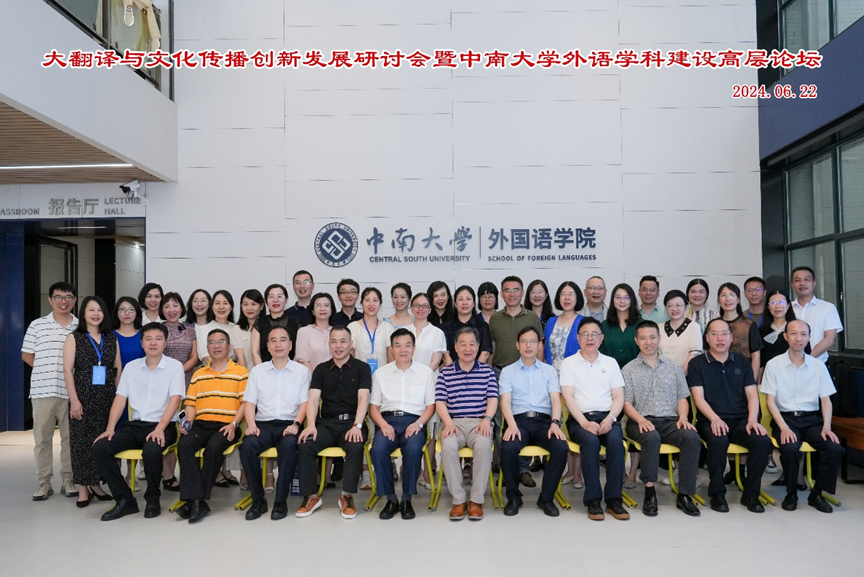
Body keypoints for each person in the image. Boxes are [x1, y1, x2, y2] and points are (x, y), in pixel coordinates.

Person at [91, 322, 184, 521]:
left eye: (158, 339)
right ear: (142, 343)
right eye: (148, 339)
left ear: (165, 343)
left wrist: (160, 429)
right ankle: (125, 500)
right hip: (135, 426)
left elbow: (175, 400)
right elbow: (120, 399)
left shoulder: (174, 367)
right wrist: (110, 428)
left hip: (163, 426)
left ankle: (152, 499)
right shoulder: (131, 367)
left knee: (151, 449)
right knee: (100, 447)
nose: (153, 343)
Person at [688, 318, 772, 513]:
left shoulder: (742, 362)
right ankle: (717, 493)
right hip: (710, 419)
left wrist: (752, 420)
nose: (720, 338)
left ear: (731, 338)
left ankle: (751, 494)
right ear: (707, 338)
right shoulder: (697, 364)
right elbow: (698, 398)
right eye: (715, 334)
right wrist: (715, 419)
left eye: (724, 334)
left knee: (761, 440)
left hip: (741, 420)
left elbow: (752, 395)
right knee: (718, 439)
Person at [761, 319, 845, 513]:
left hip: (812, 420)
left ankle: (817, 494)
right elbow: (770, 402)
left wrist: (827, 426)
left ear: (809, 338)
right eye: (793, 333)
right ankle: (791, 493)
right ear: (785, 337)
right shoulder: (774, 364)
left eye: (803, 334)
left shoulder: (818, 366)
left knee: (834, 448)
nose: (798, 338)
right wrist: (783, 428)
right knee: (790, 447)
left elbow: (826, 400)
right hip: (785, 419)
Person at [622, 320, 701, 517]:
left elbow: (682, 397)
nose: (648, 342)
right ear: (636, 341)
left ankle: (685, 494)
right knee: (651, 437)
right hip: (640, 420)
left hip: (670, 421)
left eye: (652, 337)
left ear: (659, 339)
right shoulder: (628, 369)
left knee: (691, 437)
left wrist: (683, 417)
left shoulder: (673, 367)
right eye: (643, 338)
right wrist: (640, 420)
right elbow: (626, 403)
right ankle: (650, 492)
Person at [296, 326, 371, 519]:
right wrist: (311, 425)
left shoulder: (362, 368)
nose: (338, 346)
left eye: (343, 341)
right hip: (326, 424)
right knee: (306, 443)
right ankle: (311, 496)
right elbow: (313, 400)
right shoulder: (321, 369)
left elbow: (363, 398)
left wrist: (357, 425)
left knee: (355, 444)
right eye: (334, 341)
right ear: (329, 344)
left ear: (351, 344)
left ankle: (347, 496)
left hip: (352, 423)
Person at [176, 328, 249, 523]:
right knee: (185, 444)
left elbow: (245, 404)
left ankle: (195, 500)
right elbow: (191, 403)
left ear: (229, 346)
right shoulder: (198, 374)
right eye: (212, 342)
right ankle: (197, 501)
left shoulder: (241, 372)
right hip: (201, 425)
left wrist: (234, 424)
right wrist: (187, 422)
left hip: (227, 425)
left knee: (214, 446)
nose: (216, 346)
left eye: (221, 342)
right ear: (207, 348)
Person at [559, 317, 629, 521]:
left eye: (594, 334)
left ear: (601, 338)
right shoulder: (569, 363)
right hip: (579, 419)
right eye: (585, 334)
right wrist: (583, 422)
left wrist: (611, 418)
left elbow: (619, 397)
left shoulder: (610, 363)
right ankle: (593, 500)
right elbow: (568, 397)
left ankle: (614, 500)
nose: (590, 338)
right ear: (578, 338)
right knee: (590, 443)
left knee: (616, 443)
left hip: (608, 417)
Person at [240, 325, 311, 521]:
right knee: (247, 447)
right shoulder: (257, 371)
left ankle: (280, 501)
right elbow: (249, 403)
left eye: (282, 340)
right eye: (273, 340)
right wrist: (251, 425)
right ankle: (258, 500)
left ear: (290, 345)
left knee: (289, 446)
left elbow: (305, 403)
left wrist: (296, 424)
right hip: (262, 424)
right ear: (268, 346)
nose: (278, 344)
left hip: (289, 424)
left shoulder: (301, 372)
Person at [499, 326, 569, 517]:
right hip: (518, 422)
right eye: (524, 341)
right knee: (508, 447)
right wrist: (511, 425)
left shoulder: (549, 371)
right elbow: (505, 402)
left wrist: (555, 423)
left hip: (544, 423)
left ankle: (546, 498)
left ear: (539, 345)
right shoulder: (507, 372)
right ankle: (514, 497)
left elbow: (556, 400)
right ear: (517, 345)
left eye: (532, 341)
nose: (528, 345)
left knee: (560, 447)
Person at [369, 329, 436, 520]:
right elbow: (373, 407)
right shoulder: (380, 374)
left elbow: (431, 406)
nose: (403, 350)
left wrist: (419, 424)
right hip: (387, 421)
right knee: (378, 449)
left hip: (414, 422)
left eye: (407, 345)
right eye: (397, 345)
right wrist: (383, 425)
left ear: (414, 348)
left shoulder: (425, 373)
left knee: (413, 449)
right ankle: (391, 499)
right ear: (391, 349)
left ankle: (407, 499)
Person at [62, 296, 121, 507]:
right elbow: (67, 371)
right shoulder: (74, 337)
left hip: (107, 398)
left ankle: (96, 484)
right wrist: (74, 400)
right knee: (81, 443)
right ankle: (83, 489)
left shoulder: (111, 338)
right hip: (83, 398)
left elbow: (118, 369)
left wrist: (119, 397)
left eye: (100, 310)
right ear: (83, 313)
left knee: (102, 442)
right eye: (91, 310)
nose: (96, 314)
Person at [22, 281, 78, 501]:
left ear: (74, 300)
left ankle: (69, 480)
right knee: (42, 440)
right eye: (58, 297)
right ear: (50, 299)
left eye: (68, 297)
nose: (63, 301)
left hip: (71, 392)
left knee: (70, 439)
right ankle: (44, 482)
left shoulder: (80, 326)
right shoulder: (37, 325)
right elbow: (27, 355)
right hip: (42, 390)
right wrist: (46, 369)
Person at [436, 327, 498, 521]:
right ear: (455, 347)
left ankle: (476, 501)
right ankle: (459, 500)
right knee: (448, 448)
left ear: (478, 346)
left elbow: (493, 399)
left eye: (472, 344)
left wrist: (487, 420)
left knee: (483, 447)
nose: (467, 348)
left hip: (480, 422)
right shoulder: (445, 373)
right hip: (453, 422)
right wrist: (447, 423)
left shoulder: (487, 371)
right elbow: (440, 402)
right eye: (462, 344)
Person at [544, 281, 586, 487]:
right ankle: (569, 470)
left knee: (575, 423)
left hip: (575, 381)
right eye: (563, 294)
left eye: (571, 294)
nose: (567, 298)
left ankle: (578, 473)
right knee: (560, 424)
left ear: (577, 298)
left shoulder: (582, 321)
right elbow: (545, 351)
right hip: (553, 380)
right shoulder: (551, 321)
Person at [407, 292, 448, 489]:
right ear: (411, 308)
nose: (420, 309)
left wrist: (419, 376)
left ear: (430, 309)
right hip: (406, 386)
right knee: (411, 426)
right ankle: (412, 471)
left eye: (424, 306)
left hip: (430, 384)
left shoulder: (437, 333)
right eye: (417, 305)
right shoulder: (404, 330)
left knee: (431, 429)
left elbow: (436, 361)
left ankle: (427, 472)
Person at [159, 292, 199, 491]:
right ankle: (167, 475)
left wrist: (178, 371)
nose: (171, 310)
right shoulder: (158, 330)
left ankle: (185, 475)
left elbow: (194, 357)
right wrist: (172, 374)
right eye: (167, 306)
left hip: (186, 383)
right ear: (162, 309)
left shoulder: (190, 331)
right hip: (163, 385)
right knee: (167, 428)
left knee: (183, 428)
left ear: (182, 308)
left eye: (175, 305)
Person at [790, 265, 843, 362]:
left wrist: (805, 359)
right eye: (797, 280)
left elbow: (830, 339)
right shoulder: (787, 308)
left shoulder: (827, 308)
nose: (802, 283)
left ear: (814, 283)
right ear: (792, 285)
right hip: (789, 365)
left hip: (818, 364)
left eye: (806, 279)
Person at [717, 283, 762, 379]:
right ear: (718, 300)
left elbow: (756, 355)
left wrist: (751, 380)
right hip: (717, 375)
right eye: (723, 295)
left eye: (731, 295)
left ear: (738, 300)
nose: (727, 299)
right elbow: (707, 352)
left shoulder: (749, 324)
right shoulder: (713, 325)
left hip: (743, 375)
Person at [348, 287, 395, 376]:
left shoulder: (387, 327)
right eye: (367, 300)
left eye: (375, 300)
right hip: (359, 376)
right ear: (361, 303)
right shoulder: (352, 327)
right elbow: (349, 357)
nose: (371, 304)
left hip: (383, 377)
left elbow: (391, 359)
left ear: (380, 304)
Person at [443, 285, 493, 366]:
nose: (464, 303)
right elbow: (445, 355)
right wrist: (453, 371)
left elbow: (485, 353)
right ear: (455, 304)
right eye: (461, 299)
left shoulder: (482, 326)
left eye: (468, 299)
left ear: (474, 304)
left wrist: (475, 371)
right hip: (453, 371)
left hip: (477, 371)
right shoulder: (446, 327)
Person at [195, 289, 246, 367]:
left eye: (225, 303)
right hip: (212, 371)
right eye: (217, 303)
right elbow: (206, 358)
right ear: (212, 306)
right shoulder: (204, 329)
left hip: (235, 371)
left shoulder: (236, 328)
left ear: (231, 307)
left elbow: (241, 356)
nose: (221, 307)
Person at [251, 283, 299, 365]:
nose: (275, 300)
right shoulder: (259, 323)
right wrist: (261, 371)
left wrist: (292, 369)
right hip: (265, 370)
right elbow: (255, 353)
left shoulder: (296, 322)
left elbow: (299, 352)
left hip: (291, 369)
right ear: (266, 301)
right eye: (271, 297)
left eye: (279, 296)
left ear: (286, 299)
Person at [658, 290, 703, 374]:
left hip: (686, 377)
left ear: (686, 307)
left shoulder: (694, 327)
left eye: (678, 305)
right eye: (670, 306)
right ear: (665, 308)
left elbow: (694, 355)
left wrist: (678, 376)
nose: (674, 309)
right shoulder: (658, 328)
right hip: (661, 376)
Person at [599, 283, 640, 368]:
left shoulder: (641, 325)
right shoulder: (604, 325)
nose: (622, 301)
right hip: (608, 370)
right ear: (612, 300)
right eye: (618, 297)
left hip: (636, 371)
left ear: (632, 300)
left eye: (626, 298)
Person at [295, 292, 335, 373]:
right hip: (312, 378)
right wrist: (316, 379)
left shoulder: (337, 332)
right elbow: (303, 361)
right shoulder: (304, 332)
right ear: (312, 311)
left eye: (326, 305)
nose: (322, 308)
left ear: (331, 310)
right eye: (318, 305)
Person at [237, 289, 265, 371]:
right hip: (248, 374)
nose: (249, 308)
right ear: (241, 306)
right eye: (245, 304)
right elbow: (240, 359)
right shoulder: (237, 329)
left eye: (253, 304)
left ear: (261, 306)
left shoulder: (268, 325)